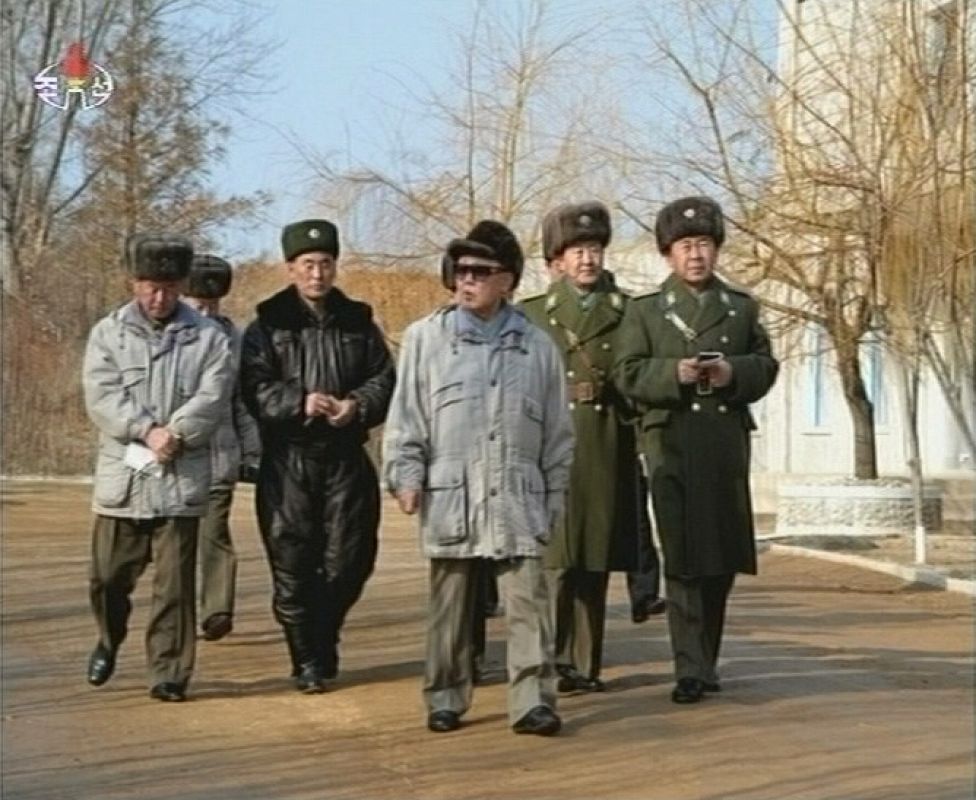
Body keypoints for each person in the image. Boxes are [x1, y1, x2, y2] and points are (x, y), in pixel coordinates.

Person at [383, 220, 574, 736]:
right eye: (459, 270)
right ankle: (446, 694)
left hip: (519, 494)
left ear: (508, 280)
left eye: (479, 271)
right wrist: (405, 473)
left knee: (529, 604)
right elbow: (407, 418)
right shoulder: (427, 339)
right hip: (453, 495)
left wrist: (554, 496)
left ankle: (532, 699)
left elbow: (559, 432)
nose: (465, 280)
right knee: (450, 606)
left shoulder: (538, 348)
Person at [613, 196, 779, 703]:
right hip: (671, 445)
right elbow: (626, 374)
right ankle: (690, 668)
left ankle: (706, 657)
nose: (696, 255)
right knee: (682, 558)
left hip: (725, 447)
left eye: (704, 244)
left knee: (722, 559)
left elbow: (766, 365)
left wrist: (733, 373)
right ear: (668, 254)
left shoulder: (741, 307)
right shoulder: (644, 311)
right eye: (686, 246)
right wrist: (673, 374)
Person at [240, 218, 395, 694]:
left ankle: (323, 633)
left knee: (351, 560)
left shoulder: (358, 320)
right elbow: (254, 387)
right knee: (292, 563)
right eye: (308, 265)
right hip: (289, 460)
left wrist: (357, 406)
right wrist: (299, 402)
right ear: (290, 268)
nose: (317, 274)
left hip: (346, 457)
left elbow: (384, 378)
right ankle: (307, 658)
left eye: (325, 264)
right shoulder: (267, 324)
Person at [82, 233, 233, 702]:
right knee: (108, 577)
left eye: (169, 287)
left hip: (181, 476)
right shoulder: (108, 333)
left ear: (182, 285)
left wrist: (178, 432)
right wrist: (146, 430)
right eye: (150, 286)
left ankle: (169, 671)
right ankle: (109, 637)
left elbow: (214, 395)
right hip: (124, 476)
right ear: (134, 283)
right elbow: (101, 396)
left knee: (174, 588)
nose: (160, 297)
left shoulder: (209, 338)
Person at [519, 201, 642, 693]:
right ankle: (549, 661)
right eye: (577, 251)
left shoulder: (629, 311)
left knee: (593, 556)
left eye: (594, 250)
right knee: (555, 561)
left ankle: (584, 664)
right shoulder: (531, 315)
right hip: (551, 442)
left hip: (605, 439)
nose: (587, 260)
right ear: (557, 262)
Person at [182, 254, 261, 642]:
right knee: (177, 541)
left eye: (213, 305)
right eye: (199, 305)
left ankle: (216, 609)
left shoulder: (235, 338)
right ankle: (178, 612)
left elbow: (243, 402)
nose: (207, 312)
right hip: (174, 458)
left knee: (214, 532)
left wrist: (252, 452)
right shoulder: (171, 336)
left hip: (219, 457)